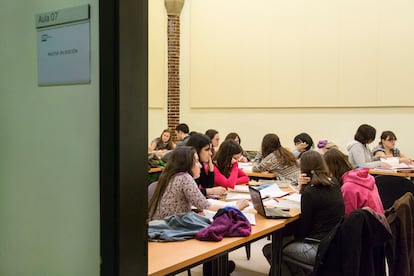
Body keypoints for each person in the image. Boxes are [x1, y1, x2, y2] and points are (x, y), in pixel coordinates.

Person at [263, 150, 345, 275]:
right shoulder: (334, 182)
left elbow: (303, 230)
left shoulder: (310, 193)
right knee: (284, 243)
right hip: (333, 243)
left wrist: (284, 232)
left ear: (304, 170)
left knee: (271, 249)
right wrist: (303, 187)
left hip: (317, 247)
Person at [148, 146, 248, 221]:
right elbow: (206, 206)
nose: (200, 165)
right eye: (196, 162)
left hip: (163, 225)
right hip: (173, 228)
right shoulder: (184, 177)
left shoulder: (171, 175)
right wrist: (235, 208)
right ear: (186, 163)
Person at [323, 148, 384, 215]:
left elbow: (348, 216)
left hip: (368, 223)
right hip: (379, 220)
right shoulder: (365, 177)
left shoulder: (348, 187)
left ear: (332, 168)